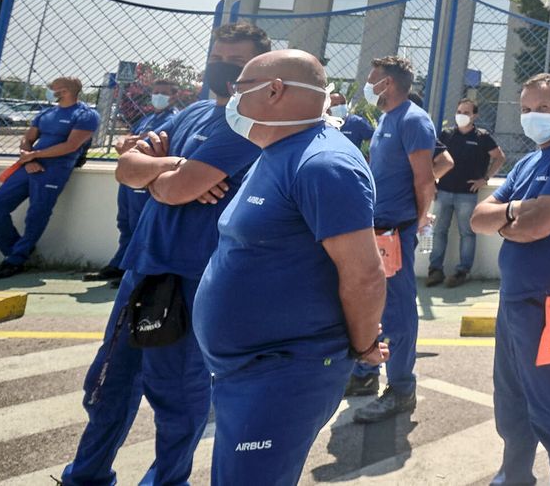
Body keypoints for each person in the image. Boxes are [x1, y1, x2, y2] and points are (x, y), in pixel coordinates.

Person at [61, 22, 270, 486]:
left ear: (256, 69)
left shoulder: (249, 127)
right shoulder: (194, 113)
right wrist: (176, 167)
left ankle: (168, 481)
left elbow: (173, 190)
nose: (223, 67)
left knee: (176, 395)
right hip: (144, 265)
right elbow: (127, 169)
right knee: (108, 383)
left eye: (236, 62)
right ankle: (86, 477)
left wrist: (162, 176)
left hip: (194, 277)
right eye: (218, 58)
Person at [194, 49, 387, 486]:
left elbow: (364, 274)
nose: (232, 98)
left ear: (274, 91)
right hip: (250, 371)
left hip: (283, 373)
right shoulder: (277, 151)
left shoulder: (324, 164)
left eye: (240, 88)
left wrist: (363, 346)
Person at [470, 73, 550, 486]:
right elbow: (478, 219)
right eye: (526, 109)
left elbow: (539, 226)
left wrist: (510, 218)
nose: (533, 116)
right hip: (513, 302)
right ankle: (514, 477)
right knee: (511, 408)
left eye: (543, 108)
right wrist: (515, 213)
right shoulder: (529, 162)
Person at [344, 56, 437, 422]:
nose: (368, 85)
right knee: (372, 305)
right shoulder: (387, 118)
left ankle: (401, 389)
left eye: (373, 80)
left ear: (389, 83)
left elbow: (424, 180)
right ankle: (366, 374)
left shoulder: (413, 120)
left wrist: (416, 221)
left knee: (397, 311)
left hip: (395, 230)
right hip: (377, 226)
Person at [0, 75, 100, 278]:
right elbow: (27, 139)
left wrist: (35, 155)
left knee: (37, 214)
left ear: (65, 91)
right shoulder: (46, 113)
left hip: (54, 171)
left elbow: (71, 145)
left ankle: (15, 260)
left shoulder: (86, 115)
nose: (49, 91)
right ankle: (16, 251)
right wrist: (29, 160)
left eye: (52, 87)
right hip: (29, 167)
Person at [86, 78, 184, 283]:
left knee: (141, 223)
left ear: (174, 96)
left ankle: (136, 270)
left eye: (164, 92)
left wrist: (133, 145)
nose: (158, 96)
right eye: (155, 91)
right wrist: (127, 143)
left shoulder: (174, 119)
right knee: (126, 221)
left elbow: (153, 146)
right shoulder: (147, 119)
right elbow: (126, 141)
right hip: (131, 176)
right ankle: (120, 264)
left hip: (147, 177)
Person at [427, 98, 503, 287]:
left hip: (467, 195)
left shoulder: (482, 137)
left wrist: (485, 179)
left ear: (475, 116)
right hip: (443, 192)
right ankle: (435, 270)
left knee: (467, 233)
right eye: (459, 111)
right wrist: (432, 182)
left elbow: (499, 157)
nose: (461, 115)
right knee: (438, 231)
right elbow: (432, 159)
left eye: (466, 112)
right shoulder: (446, 135)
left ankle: (463, 271)